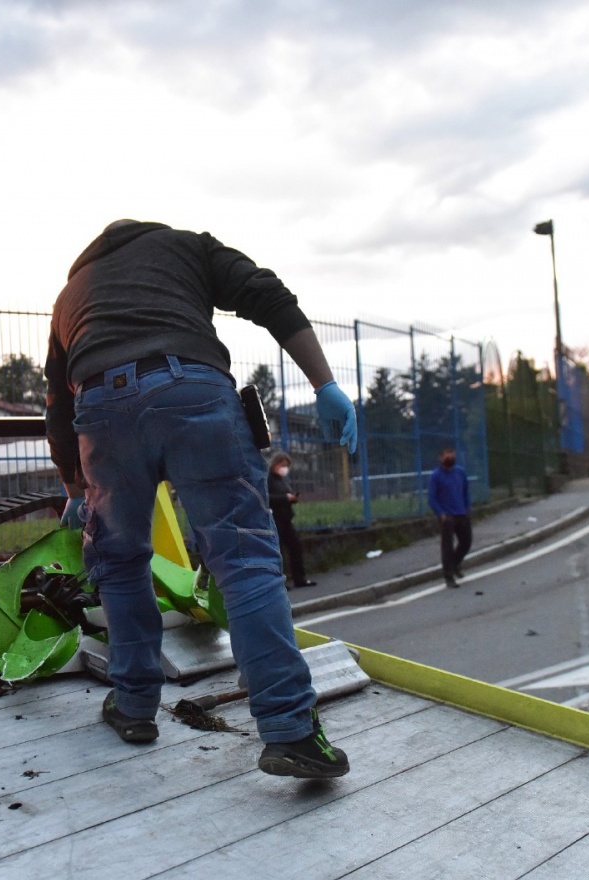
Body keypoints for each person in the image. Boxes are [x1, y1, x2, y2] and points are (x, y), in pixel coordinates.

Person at [45, 219, 358, 779]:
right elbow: (267, 294)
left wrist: (74, 490)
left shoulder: (71, 296)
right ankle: (290, 730)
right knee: (242, 558)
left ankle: (135, 705)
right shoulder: (187, 247)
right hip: (191, 390)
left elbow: (56, 405)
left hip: (101, 413)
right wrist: (324, 383)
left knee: (118, 563)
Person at [266, 451, 315, 588]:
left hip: (286, 518)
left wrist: (292, 499)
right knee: (278, 551)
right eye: (283, 465)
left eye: (287, 466)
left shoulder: (281, 480)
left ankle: (300, 579)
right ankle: (280, 583)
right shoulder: (268, 479)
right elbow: (267, 498)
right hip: (275, 519)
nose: (285, 469)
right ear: (275, 464)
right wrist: (285, 498)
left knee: (296, 547)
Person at [428, 445, 471, 588]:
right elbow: (432, 498)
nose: (450, 457)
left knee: (466, 542)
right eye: (447, 455)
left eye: (452, 454)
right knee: (447, 546)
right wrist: (440, 514)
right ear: (440, 458)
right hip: (447, 516)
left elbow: (465, 492)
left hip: (461, 513)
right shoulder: (436, 476)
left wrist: (467, 508)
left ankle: (455, 563)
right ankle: (449, 577)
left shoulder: (460, 473)